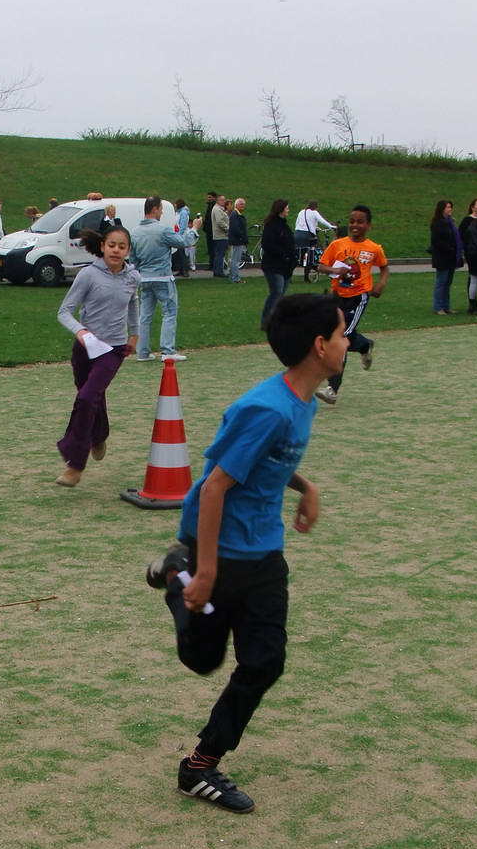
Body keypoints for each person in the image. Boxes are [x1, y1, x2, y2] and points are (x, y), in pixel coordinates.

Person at [145, 292, 348, 813]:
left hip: (263, 551)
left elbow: (269, 461)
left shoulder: (303, 399)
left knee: (265, 661)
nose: (349, 342)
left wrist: (305, 486)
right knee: (201, 659)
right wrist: (206, 571)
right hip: (218, 546)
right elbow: (215, 487)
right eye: (342, 333)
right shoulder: (267, 408)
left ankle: (200, 765)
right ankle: (178, 574)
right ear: (320, 345)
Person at [54, 225, 141, 487]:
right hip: (85, 349)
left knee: (87, 397)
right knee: (91, 397)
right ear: (102, 246)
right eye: (111, 245)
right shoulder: (88, 275)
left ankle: (75, 464)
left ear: (128, 250)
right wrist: (80, 331)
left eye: (122, 246)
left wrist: (135, 334)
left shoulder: (133, 277)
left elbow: (133, 302)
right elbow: (64, 311)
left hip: (113, 349)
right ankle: (99, 435)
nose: (116, 250)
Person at [314, 203, 388, 405]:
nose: (355, 225)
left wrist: (381, 284)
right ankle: (364, 345)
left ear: (368, 225)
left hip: (358, 297)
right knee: (344, 334)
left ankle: (332, 389)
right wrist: (335, 270)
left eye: (360, 222)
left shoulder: (373, 248)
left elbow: (384, 267)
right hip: (337, 297)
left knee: (341, 337)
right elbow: (321, 266)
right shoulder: (337, 245)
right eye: (352, 221)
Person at [131, 195, 201, 363]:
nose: (161, 213)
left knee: (145, 316)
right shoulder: (162, 230)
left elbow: (134, 261)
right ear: (155, 209)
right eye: (161, 209)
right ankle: (168, 350)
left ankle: (142, 352)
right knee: (169, 313)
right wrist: (195, 228)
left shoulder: (134, 233)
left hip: (145, 279)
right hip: (163, 278)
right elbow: (183, 242)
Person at [259, 199, 296, 329]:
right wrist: (283, 253)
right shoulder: (272, 225)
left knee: (280, 295)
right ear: (280, 209)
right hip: (273, 266)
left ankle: (276, 319)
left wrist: (291, 258)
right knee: (276, 293)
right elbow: (267, 244)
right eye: (286, 207)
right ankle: (266, 321)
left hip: (286, 266)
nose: (288, 209)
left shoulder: (284, 225)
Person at [429, 199, 462, 315]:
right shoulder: (437, 223)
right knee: (441, 282)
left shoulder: (450, 222)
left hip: (451, 257)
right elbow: (436, 240)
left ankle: (446, 306)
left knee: (448, 283)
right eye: (448, 207)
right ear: (442, 209)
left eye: (451, 207)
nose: (450, 209)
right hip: (442, 257)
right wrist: (449, 248)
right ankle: (438, 307)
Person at [227, 198, 248, 284]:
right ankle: (234, 278)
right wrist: (242, 236)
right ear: (237, 205)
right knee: (236, 260)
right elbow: (235, 228)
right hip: (237, 240)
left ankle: (233, 277)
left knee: (235, 259)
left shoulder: (236, 214)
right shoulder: (235, 215)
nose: (243, 206)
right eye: (241, 204)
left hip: (237, 240)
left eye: (244, 204)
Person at [210, 194, 229, 276]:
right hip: (220, 235)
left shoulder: (218, 209)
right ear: (218, 201)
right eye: (223, 200)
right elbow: (220, 222)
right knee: (220, 254)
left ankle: (217, 271)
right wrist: (228, 229)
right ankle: (219, 271)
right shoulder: (217, 210)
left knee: (218, 253)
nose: (225, 201)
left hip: (219, 235)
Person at [172, 198, 191, 277]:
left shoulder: (183, 213)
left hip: (182, 235)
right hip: (179, 234)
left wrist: (179, 234)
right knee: (180, 253)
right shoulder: (180, 212)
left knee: (182, 253)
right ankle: (181, 270)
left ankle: (185, 270)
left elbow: (182, 224)